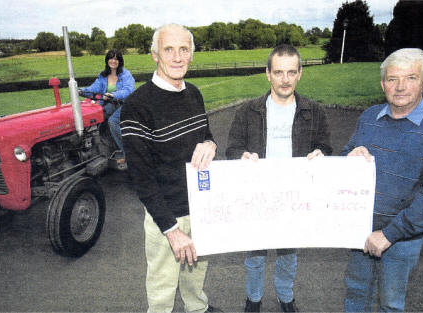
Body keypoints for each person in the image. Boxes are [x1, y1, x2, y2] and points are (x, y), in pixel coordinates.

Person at [120, 24, 220, 313]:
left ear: (191, 55)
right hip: (166, 217)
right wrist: (172, 230)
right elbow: (141, 178)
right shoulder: (136, 106)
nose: (177, 57)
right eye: (169, 49)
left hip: (200, 208)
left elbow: (207, 136)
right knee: (162, 289)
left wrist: (210, 145)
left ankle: (198, 309)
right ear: (155, 55)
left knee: (196, 278)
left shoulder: (195, 94)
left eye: (184, 49)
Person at [226, 44, 332, 312]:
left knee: (288, 253)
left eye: (291, 72)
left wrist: (322, 153)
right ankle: (254, 299)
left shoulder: (314, 110)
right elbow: (232, 148)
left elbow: (325, 146)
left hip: (295, 195)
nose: (285, 79)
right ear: (268, 74)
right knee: (255, 253)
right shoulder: (247, 111)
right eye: (279, 72)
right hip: (257, 194)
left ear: (300, 74)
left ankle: (286, 297)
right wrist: (241, 156)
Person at [342, 48, 423, 312]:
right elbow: (346, 158)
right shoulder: (369, 117)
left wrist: (389, 234)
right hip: (360, 230)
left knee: (391, 303)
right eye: (392, 79)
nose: (400, 87)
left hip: (402, 239)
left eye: (410, 78)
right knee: (355, 293)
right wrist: (349, 156)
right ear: (382, 83)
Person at [80, 49, 135, 159]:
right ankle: (102, 149)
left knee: (113, 122)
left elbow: (128, 90)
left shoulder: (125, 74)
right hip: (111, 103)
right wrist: (81, 90)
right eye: (111, 58)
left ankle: (127, 153)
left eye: (116, 59)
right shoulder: (103, 75)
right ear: (107, 60)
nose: (113, 61)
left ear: (120, 61)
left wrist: (113, 94)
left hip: (125, 104)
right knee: (95, 120)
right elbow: (94, 88)